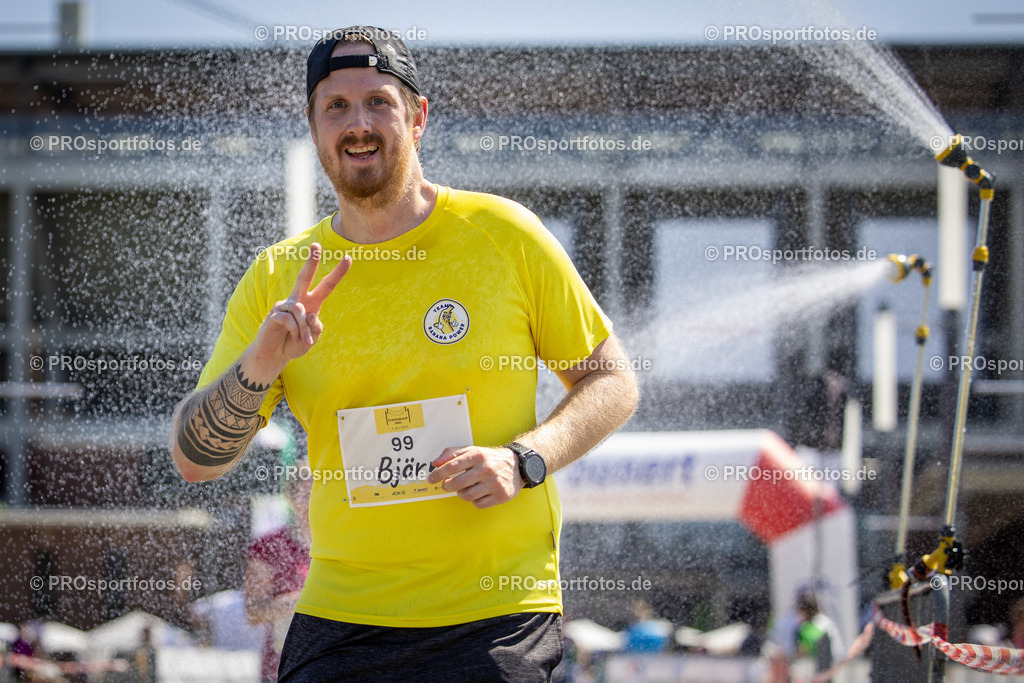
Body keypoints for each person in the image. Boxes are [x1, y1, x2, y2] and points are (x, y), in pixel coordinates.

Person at [169, 25, 638, 681]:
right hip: (339, 619)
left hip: (495, 615)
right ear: (313, 127)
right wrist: (260, 366)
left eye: (378, 102)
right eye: (336, 106)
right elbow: (193, 460)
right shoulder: (278, 276)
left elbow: (611, 380)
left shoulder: (505, 236)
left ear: (417, 117)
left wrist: (524, 458)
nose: (358, 123)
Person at [244, 466, 312, 682]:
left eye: (320, 494)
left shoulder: (341, 546)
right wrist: (306, 601)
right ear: (290, 497)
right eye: (307, 496)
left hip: (330, 655)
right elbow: (253, 612)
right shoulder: (269, 547)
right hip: (283, 660)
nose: (313, 504)